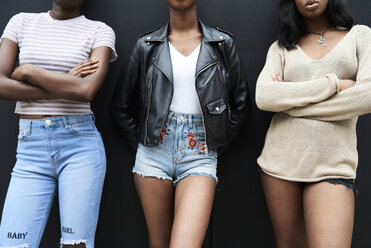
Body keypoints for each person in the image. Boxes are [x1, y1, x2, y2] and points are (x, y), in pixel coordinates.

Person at [111, 0, 249, 246]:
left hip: (200, 154)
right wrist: (148, 141)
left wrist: (214, 143)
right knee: (159, 243)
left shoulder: (221, 43)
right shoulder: (146, 46)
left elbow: (241, 106)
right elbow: (120, 108)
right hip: (153, 154)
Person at [0, 0, 117, 247]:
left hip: (80, 147)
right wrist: (64, 84)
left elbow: (86, 89)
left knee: (76, 245)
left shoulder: (99, 31)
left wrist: (29, 71)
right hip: (30, 152)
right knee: (12, 244)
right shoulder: (21, 22)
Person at [255, 0, 371, 247]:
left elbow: (366, 96)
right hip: (280, 163)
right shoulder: (281, 49)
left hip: (333, 165)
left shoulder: (360, 36)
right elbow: (264, 97)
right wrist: (334, 85)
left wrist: (291, 103)